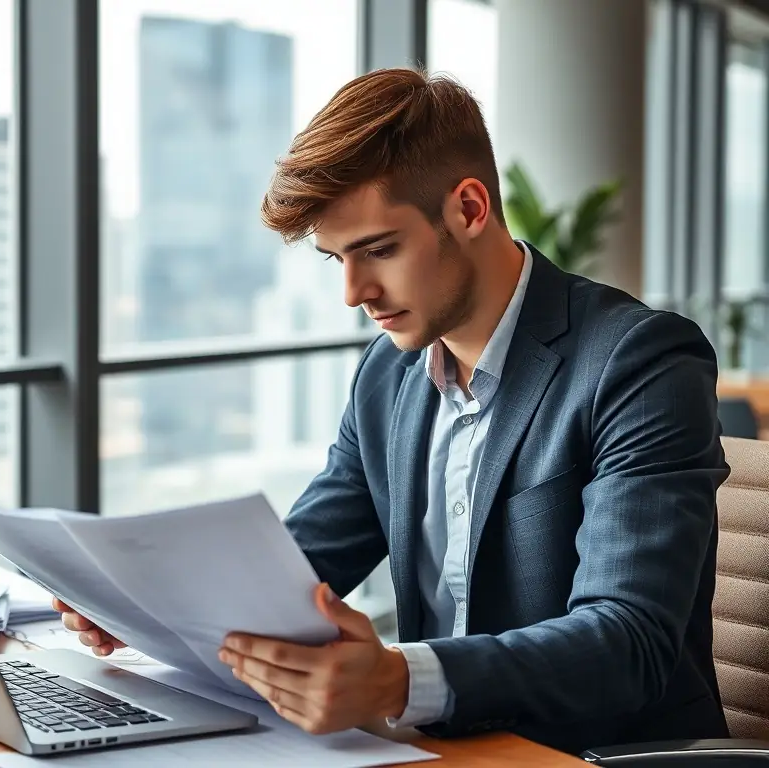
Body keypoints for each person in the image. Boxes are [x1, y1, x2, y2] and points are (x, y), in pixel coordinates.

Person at [53, 68, 730, 755]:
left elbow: (629, 641)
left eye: (379, 250)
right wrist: (148, 606)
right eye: (335, 259)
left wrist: (397, 681)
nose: (355, 293)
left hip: (593, 752)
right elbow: (303, 561)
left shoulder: (639, 362)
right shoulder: (391, 370)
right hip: (441, 747)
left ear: (469, 209)